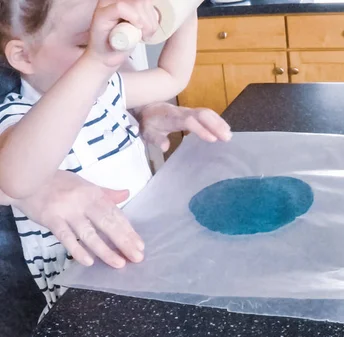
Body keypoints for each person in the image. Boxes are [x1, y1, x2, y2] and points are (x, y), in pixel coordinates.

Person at [0, 0, 231, 318]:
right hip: (86, 292)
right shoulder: (18, 116)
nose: (113, 55)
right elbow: (15, 177)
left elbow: (171, 77)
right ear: (24, 55)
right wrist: (95, 61)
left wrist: (184, 10)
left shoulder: (107, 89)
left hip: (150, 257)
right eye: (85, 42)